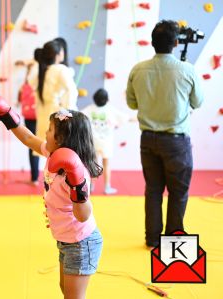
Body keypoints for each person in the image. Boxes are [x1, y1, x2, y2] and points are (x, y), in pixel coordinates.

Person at [0, 93, 103, 299]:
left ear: (62, 140)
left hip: (82, 242)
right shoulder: (54, 155)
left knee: (74, 297)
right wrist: (5, 112)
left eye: (50, 130)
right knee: (65, 290)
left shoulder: (78, 172)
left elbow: (83, 215)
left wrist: (77, 182)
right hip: (66, 239)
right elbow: (27, 138)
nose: (45, 132)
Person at [126, 20, 204, 248]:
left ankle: (152, 238)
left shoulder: (137, 70)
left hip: (147, 139)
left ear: (152, 43)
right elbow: (197, 102)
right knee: (178, 192)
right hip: (176, 142)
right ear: (176, 43)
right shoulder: (187, 70)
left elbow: (131, 104)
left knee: (153, 190)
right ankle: (173, 239)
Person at [82, 88, 130, 194]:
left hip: (93, 141)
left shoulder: (90, 109)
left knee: (93, 164)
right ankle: (107, 187)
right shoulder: (110, 109)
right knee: (106, 164)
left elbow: (79, 116)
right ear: (107, 99)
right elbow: (125, 118)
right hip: (106, 142)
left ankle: (91, 186)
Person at [30, 40, 79, 142]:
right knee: (60, 148)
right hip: (58, 113)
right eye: (61, 51)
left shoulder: (43, 71)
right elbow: (72, 91)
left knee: (47, 149)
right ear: (57, 55)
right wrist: (67, 112)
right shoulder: (61, 69)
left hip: (44, 114)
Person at [17, 49, 41, 184]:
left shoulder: (30, 75)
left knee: (32, 145)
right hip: (42, 113)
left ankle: (34, 178)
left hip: (30, 115)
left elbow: (23, 90)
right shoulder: (46, 73)